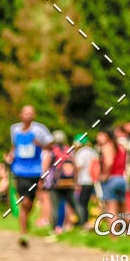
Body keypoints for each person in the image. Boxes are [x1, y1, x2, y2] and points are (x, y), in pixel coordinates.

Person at [9, 105, 54, 246]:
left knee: (31, 204)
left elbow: (50, 147)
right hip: (19, 171)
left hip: (35, 172)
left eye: (31, 113)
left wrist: (39, 144)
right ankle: (23, 234)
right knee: (24, 202)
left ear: (34, 115)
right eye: (26, 113)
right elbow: (14, 147)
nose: (28, 115)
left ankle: (25, 219)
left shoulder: (39, 129)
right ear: (21, 115)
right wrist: (10, 157)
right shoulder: (14, 129)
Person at [96, 129, 127, 231]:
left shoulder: (107, 147)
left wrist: (105, 174)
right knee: (123, 210)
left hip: (111, 179)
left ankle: (114, 236)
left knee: (111, 210)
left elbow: (109, 162)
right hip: (122, 179)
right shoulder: (121, 147)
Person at [50, 130, 79, 233]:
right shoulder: (69, 150)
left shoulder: (53, 151)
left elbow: (47, 165)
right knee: (74, 205)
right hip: (69, 182)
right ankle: (83, 225)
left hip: (56, 183)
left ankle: (56, 228)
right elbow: (75, 166)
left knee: (55, 206)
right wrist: (76, 180)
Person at [73, 134, 97, 227]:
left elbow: (79, 167)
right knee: (88, 203)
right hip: (92, 181)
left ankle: (83, 222)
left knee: (81, 203)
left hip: (83, 180)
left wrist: (74, 179)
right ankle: (88, 221)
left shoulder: (81, 152)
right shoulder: (92, 151)